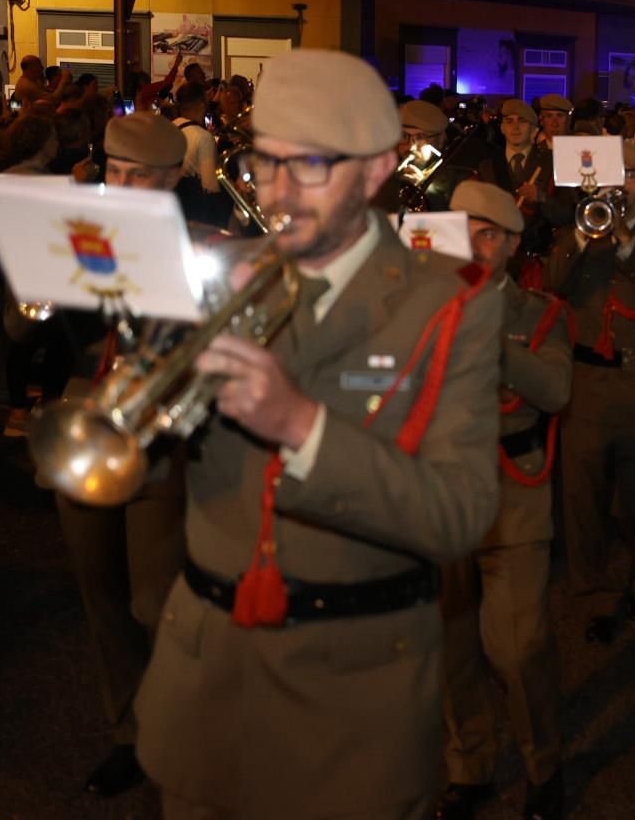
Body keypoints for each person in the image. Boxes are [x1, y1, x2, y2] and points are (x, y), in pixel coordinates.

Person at [133, 48, 504, 820]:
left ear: (375, 173)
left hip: (350, 704)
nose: (276, 191)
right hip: (204, 685)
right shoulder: (220, 269)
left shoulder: (450, 303)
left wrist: (301, 427)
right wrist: (143, 397)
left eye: (308, 166)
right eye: (265, 162)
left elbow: (460, 516)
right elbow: (138, 468)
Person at [41, 113, 192, 796]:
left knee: (154, 600)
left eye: (139, 175)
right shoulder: (75, 238)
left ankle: (179, 732)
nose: (121, 184)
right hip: (85, 421)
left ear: (172, 179)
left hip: (159, 436)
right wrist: (41, 288)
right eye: (114, 170)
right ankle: (129, 732)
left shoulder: (200, 247)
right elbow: (18, 328)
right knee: (97, 589)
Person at [437, 182, 570, 820]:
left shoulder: (539, 311)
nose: (471, 242)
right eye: (461, 228)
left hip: (511, 493)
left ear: (513, 245)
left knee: (517, 651)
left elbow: (555, 391)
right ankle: (469, 766)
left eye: (486, 232)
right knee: (449, 644)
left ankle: (544, 765)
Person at [544, 143, 635, 646]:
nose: (619, 184)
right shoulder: (577, 233)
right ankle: (595, 595)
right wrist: (583, 228)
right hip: (587, 384)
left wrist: (623, 235)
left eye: (630, 176)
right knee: (584, 501)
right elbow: (555, 281)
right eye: (613, 174)